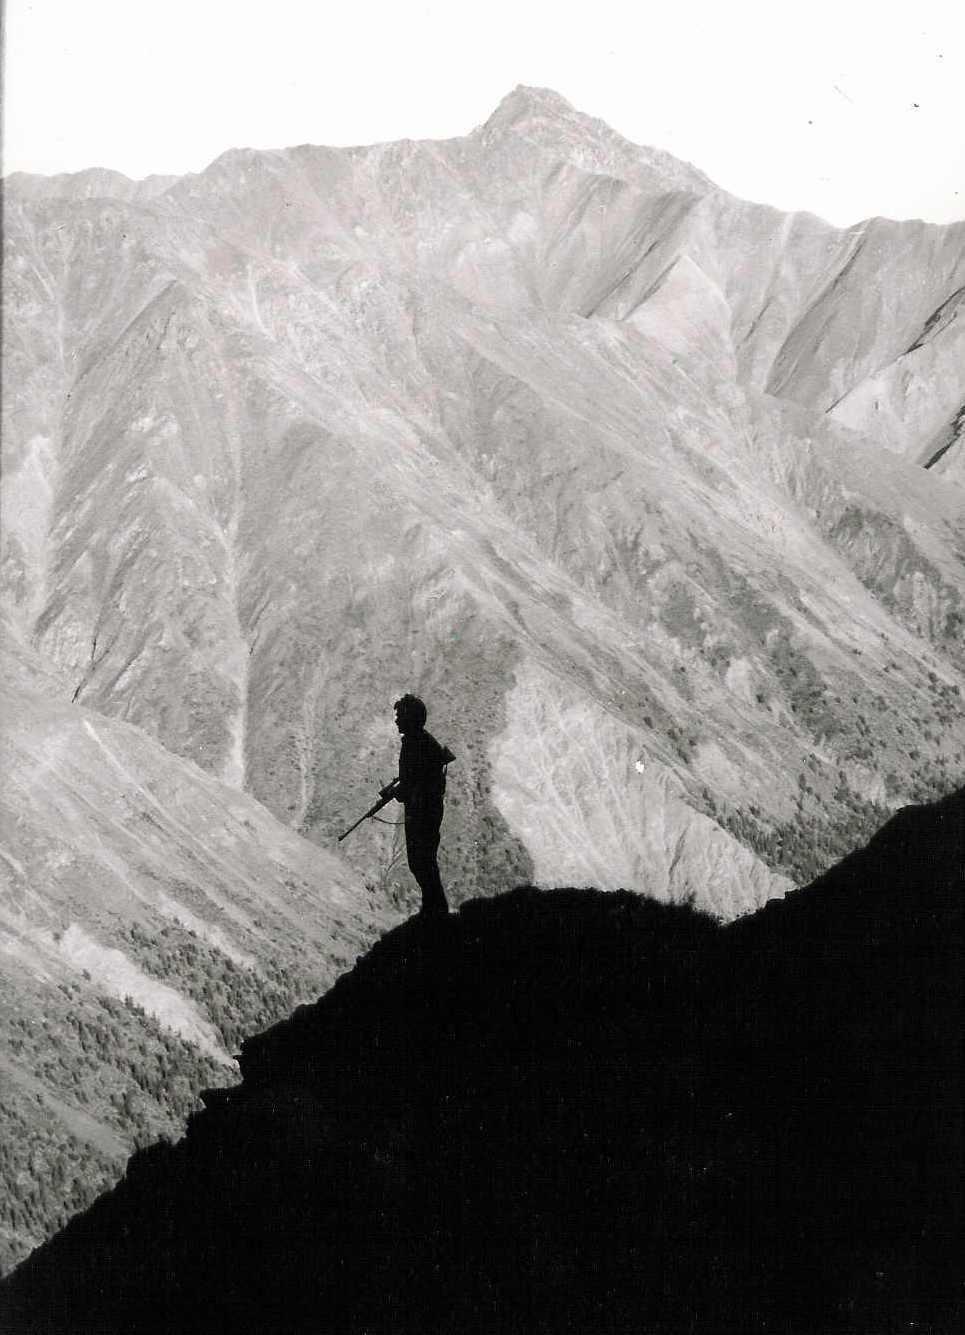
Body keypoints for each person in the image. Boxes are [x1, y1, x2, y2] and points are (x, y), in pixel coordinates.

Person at [392, 694, 455, 917]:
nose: (397, 721)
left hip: (423, 812)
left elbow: (422, 782)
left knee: (422, 861)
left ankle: (435, 910)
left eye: (400, 716)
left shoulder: (417, 744)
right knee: (421, 861)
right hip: (422, 810)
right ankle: (434, 908)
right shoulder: (417, 741)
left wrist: (403, 792)